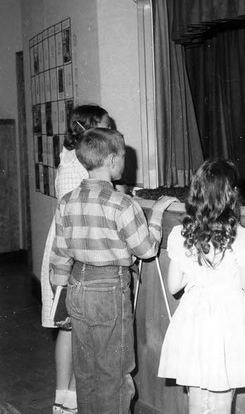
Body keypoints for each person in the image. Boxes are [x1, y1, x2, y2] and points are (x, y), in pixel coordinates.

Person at [49, 128, 177, 414]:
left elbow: (58, 257)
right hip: (109, 288)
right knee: (115, 373)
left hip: (76, 286)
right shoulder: (122, 203)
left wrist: (61, 300)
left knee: (86, 372)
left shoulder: (67, 201)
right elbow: (146, 250)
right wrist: (155, 216)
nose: (124, 163)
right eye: (121, 157)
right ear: (110, 160)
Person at [158, 158, 245, 414]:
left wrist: (199, 271)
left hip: (193, 317)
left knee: (197, 396)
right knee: (221, 399)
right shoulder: (242, 236)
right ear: (232, 195)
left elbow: (175, 285)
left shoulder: (180, 234)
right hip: (227, 319)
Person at [40, 104, 111, 414]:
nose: (110, 132)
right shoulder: (75, 167)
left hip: (72, 248)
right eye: (106, 127)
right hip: (70, 252)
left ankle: (67, 398)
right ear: (90, 129)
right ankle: (65, 398)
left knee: (70, 328)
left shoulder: (75, 159)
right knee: (70, 326)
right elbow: (78, 215)